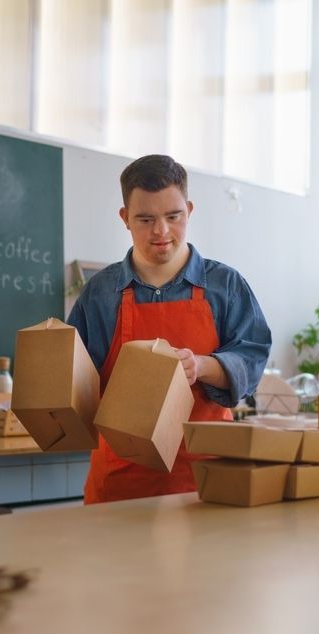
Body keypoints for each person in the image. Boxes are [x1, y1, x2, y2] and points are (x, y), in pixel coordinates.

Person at [68, 154, 272, 504]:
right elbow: (77, 387)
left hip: (207, 483)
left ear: (189, 210)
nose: (161, 231)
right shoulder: (100, 294)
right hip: (121, 485)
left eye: (173, 217)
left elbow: (251, 359)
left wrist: (202, 366)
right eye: (145, 219)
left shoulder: (225, 285)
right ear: (124, 219)